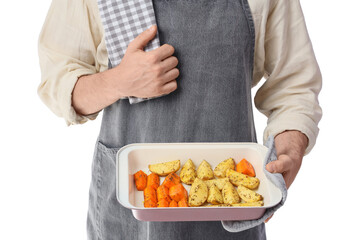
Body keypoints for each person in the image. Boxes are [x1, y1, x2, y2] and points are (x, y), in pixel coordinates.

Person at [37, 0, 322, 239]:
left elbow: (294, 87)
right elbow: (58, 81)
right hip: (129, 215)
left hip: (231, 216)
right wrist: (117, 82)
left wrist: (289, 151)